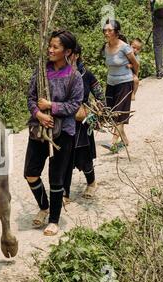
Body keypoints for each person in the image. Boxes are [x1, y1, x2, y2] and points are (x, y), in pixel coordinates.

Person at [25, 30, 84, 236]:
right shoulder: (41, 71)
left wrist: (52, 106)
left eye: (55, 47)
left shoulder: (74, 77)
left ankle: (54, 220)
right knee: (30, 173)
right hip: (39, 129)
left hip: (63, 132)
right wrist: (39, 114)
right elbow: (31, 97)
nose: (50, 50)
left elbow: (75, 105)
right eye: (50, 46)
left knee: (56, 178)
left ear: (66, 51)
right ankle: (44, 205)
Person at [63, 44, 106, 203]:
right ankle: (65, 193)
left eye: (70, 53)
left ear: (77, 55)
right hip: (64, 119)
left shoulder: (86, 74)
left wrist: (100, 111)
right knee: (64, 157)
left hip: (82, 120)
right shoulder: (59, 74)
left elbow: (99, 94)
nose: (67, 56)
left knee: (83, 154)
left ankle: (91, 182)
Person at [101, 19, 139, 153]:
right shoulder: (106, 47)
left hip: (124, 83)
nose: (106, 32)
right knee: (111, 113)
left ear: (116, 32)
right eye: (105, 30)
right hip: (111, 83)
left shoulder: (124, 47)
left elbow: (136, 63)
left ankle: (113, 142)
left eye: (109, 30)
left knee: (118, 112)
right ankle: (124, 140)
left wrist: (135, 76)